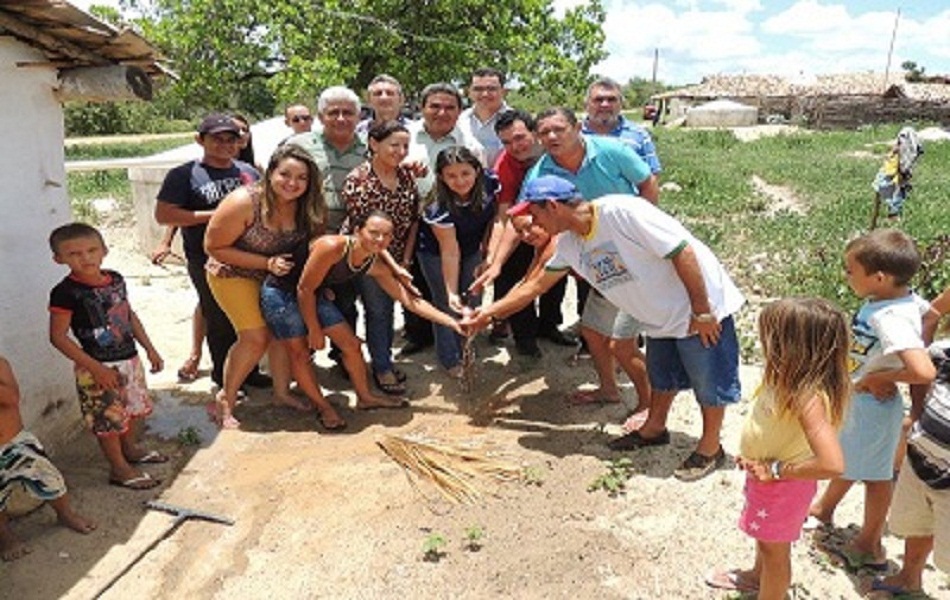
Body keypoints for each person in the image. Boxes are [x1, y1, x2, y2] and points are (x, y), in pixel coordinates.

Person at [464, 176, 745, 482]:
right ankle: (654, 428)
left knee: (710, 379)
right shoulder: (570, 244)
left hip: (694, 309)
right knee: (663, 375)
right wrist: (488, 313)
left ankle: (710, 448)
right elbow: (533, 287)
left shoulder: (622, 212)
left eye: (536, 213)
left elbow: (682, 251)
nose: (534, 222)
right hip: (657, 316)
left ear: (554, 206)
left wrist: (703, 310)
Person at [705, 298, 850, 598]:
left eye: (771, 338)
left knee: (775, 552)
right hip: (768, 479)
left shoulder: (806, 395)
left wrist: (775, 469)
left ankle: (770, 589)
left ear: (794, 348)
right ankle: (758, 577)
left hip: (782, 486)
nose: (764, 344)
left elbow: (833, 464)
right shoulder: (786, 378)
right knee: (766, 540)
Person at [808, 229, 935, 570]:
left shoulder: (888, 317)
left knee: (877, 477)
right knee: (850, 456)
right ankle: (825, 509)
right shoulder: (897, 299)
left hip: (872, 405)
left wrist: (882, 375)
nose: (846, 277)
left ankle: (869, 542)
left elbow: (923, 371)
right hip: (861, 400)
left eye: (851, 271)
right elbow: (931, 315)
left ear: (878, 278)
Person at [527, 107, 658, 411]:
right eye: (544, 132)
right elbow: (529, 216)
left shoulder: (613, 151)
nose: (552, 136)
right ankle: (609, 390)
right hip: (594, 254)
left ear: (577, 128)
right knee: (593, 330)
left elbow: (647, 183)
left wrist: (644, 231)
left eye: (558, 129)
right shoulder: (541, 171)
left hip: (633, 253)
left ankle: (650, 406)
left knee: (622, 342)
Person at [203, 145, 326, 429]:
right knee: (255, 337)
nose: (292, 183)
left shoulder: (310, 206)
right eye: (285, 174)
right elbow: (213, 246)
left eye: (301, 178)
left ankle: (281, 394)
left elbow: (313, 247)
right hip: (231, 272)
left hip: (276, 277)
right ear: (270, 173)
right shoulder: (244, 202)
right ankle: (226, 398)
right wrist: (265, 262)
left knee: (281, 334)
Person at [296, 211, 464, 406]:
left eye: (386, 235)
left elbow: (410, 301)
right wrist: (313, 328)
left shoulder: (373, 263)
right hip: (288, 290)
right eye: (373, 232)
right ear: (358, 231)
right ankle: (319, 407)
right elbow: (304, 289)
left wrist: (453, 322)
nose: (380, 239)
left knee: (352, 345)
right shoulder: (333, 247)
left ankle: (365, 398)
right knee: (298, 350)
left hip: (316, 294)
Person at [47, 223, 168, 489]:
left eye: (92, 250)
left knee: (132, 409)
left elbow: (129, 315)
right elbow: (58, 336)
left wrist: (149, 348)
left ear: (104, 250)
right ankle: (119, 469)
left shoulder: (115, 279)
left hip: (129, 359)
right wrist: (95, 368)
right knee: (108, 420)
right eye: (74, 254)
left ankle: (131, 450)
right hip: (95, 368)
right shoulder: (65, 292)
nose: (85, 258)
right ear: (59, 259)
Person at [155, 113, 266, 392]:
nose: (225, 144)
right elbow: (164, 214)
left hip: (248, 257)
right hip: (207, 259)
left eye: (231, 139)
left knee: (250, 317)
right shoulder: (183, 175)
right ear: (200, 140)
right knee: (218, 319)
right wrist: (218, 216)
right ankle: (223, 376)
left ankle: (249, 371)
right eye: (217, 138)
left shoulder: (248, 172)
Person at [472, 109, 575, 358]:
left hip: (559, 224)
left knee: (554, 276)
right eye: (507, 142)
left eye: (520, 138)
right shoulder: (504, 164)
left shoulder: (556, 153)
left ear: (535, 134)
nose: (515, 147)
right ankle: (525, 339)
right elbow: (504, 215)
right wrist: (494, 259)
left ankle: (549, 326)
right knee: (511, 275)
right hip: (520, 226)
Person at [400, 82, 484, 356]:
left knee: (465, 291)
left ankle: (463, 346)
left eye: (450, 107)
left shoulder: (470, 144)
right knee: (422, 286)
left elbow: (482, 188)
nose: (442, 112)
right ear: (422, 108)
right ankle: (421, 338)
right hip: (413, 222)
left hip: (462, 225)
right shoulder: (404, 137)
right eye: (434, 106)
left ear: (460, 111)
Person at [341, 121, 421, 395]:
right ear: (374, 144)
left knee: (388, 311)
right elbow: (367, 235)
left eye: (405, 146)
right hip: (368, 257)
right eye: (394, 145)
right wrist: (394, 266)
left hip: (397, 256)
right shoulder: (359, 181)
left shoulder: (407, 177)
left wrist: (405, 261)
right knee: (377, 311)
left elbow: (413, 221)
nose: (400, 151)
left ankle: (382, 359)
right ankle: (382, 367)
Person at [871, 338, 950, 597]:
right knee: (917, 525)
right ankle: (908, 577)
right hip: (920, 461)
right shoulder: (942, 352)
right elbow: (929, 320)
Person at [0, 355, 96, 561]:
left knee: (50, 479)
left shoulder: (0, 364)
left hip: (16, 443)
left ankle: (65, 514)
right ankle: (5, 535)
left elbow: (11, 399)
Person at [417, 146, 500, 376]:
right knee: (445, 302)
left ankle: (467, 347)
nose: (460, 181)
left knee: (473, 297)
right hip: (436, 252)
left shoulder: (491, 184)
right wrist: (452, 291)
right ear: (441, 177)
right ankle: (450, 358)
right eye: (451, 176)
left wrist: (489, 253)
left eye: (465, 173)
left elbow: (498, 217)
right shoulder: (437, 208)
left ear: (477, 170)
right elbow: (449, 251)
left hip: (473, 246)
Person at [287, 86, 367, 234]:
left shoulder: (372, 149)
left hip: (354, 237)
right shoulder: (298, 145)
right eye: (334, 113)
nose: (341, 118)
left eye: (348, 113)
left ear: (359, 116)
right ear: (321, 117)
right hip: (305, 234)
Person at [151, 227, 206, 383]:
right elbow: (175, 207)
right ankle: (195, 355)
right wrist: (165, 241)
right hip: (200, 248)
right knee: (206, 301)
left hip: (242, 244)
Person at [581, 77, 662, 175]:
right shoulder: (573, 134)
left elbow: (652, 175)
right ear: (586, 104)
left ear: (621, 104)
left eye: (611, 100)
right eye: (598, 99)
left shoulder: (639, 135)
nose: (605, 104)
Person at [458, 67, 510, 167]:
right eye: (478, 89)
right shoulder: (459, 121)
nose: (485, 94)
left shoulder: (517, 121)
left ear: (503, 92)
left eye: (491, 89)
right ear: (469, 92)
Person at [356, 74, 411, 138]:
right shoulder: (357, 132)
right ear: (369, 100)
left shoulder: (415, 132)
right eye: (378, 93)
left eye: (390, 93)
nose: (384, 98)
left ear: (401, 99)